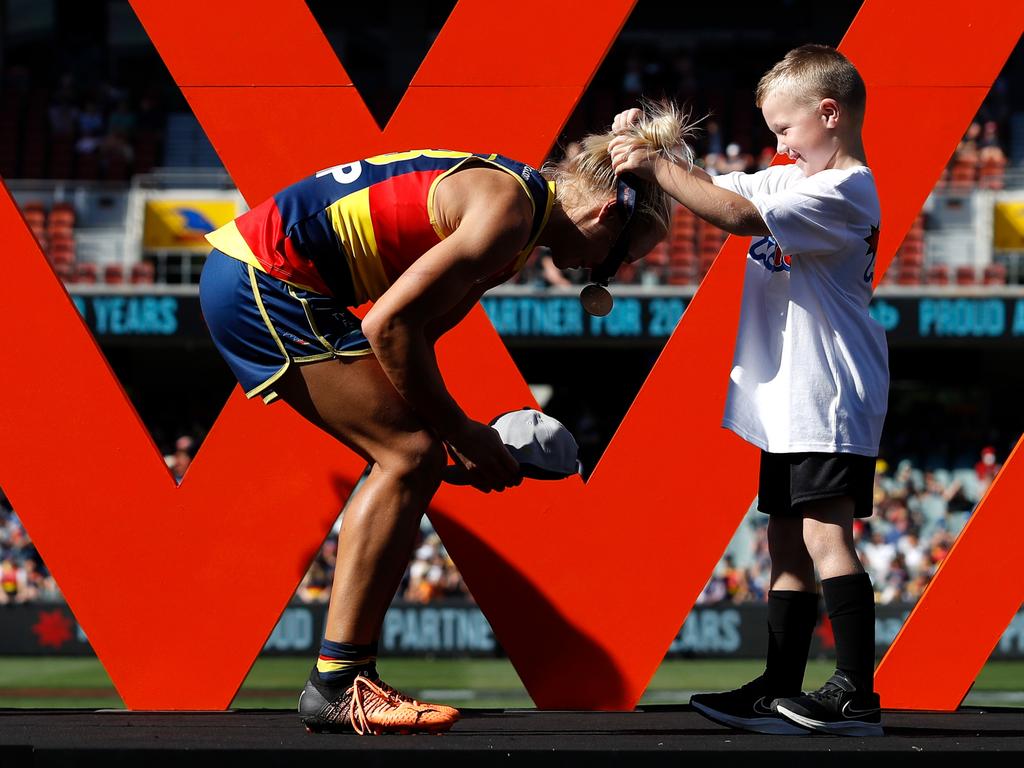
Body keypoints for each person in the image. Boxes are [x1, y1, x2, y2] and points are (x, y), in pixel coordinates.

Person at [199, 114, 687, 734]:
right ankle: (338, 683)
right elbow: (391, 328)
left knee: (413, 455)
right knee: (410, 455)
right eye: (615, 262)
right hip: (266, 278)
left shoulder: (520, 210)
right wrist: (458, 436)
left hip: (264, 274)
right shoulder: (508, 215)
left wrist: (458, 449)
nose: (603, 278)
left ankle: (348, 677)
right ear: (605, 218)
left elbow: (411, 339)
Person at [611, 44, 888, 737]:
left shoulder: (844, 188)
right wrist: (639, 142)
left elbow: (735, 217)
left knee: (827, 538)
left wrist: (655, 165)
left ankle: (857, 693)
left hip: (829, 387)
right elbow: (720, 186)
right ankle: (780, 686)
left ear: (830, 113)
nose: (779, 143)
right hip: (793, 396)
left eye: (786, 129)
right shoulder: (796, 178)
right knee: (788, 546)